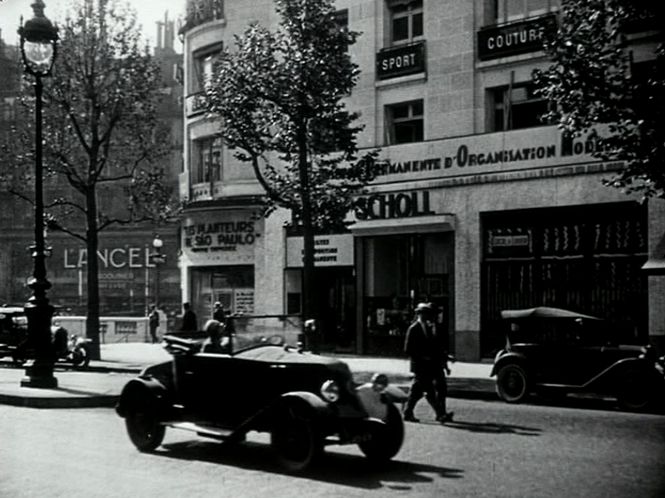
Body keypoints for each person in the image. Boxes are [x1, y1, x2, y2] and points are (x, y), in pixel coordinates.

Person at [403, 302, 454, 424]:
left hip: (429, 366)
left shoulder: (428, 328)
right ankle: (440, 414)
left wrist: (446, 358)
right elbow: (408, 349)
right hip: (420, 366)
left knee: (416, 391)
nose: (427, 316)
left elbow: (434, 348)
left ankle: (407, 412)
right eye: (425, 313)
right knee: (429, 391)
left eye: (428, 314)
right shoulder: (414, 329)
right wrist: (422, 357)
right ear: (419, 314)